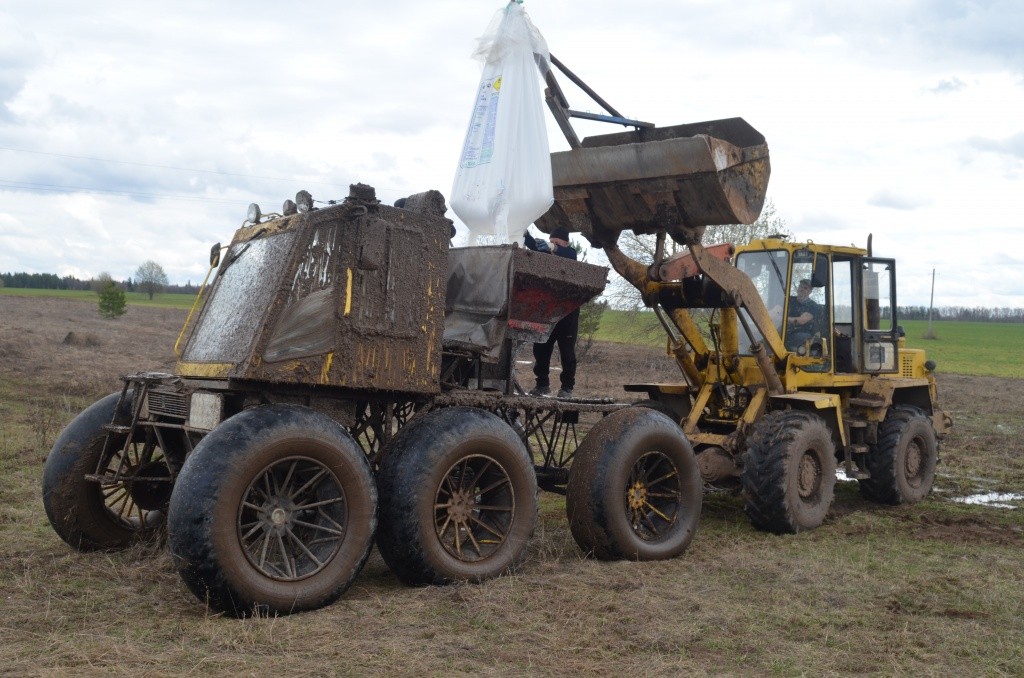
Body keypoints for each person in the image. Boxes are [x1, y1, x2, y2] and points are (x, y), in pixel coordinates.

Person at [524, 225, 578, 398]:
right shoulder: (547, 255)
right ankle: (542, 385)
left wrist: (552, 248)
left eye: (556, 242)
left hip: (568, 313)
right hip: (548, 311)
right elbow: (533, 246)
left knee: (567, 352)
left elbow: (567, 254)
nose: (552, 244)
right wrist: (525, 233)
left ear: (565, 243)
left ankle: (567, 388)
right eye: (551, 241)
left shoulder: (571, 254)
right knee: (541, 348)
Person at [786, 278, 819, 351]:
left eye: (805, 288)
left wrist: (783, 319)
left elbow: (801, 321)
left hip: (802, 333)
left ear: (810, 291)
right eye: (801, 286)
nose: (802, 289)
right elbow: (778, 310)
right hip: (786, 330)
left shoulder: (813, 306)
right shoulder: (789, 300)